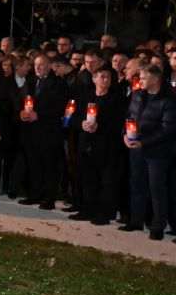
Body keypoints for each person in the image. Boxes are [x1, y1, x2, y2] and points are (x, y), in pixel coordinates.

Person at [122, 64, 176, 240]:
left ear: (155, 79)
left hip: (158, 152)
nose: (140, 81)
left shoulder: (169, 101)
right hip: (135, 148)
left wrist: (143, 142)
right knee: (137, 185)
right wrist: (125, 135)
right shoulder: (137, 95)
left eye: (144, 78)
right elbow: (128, 117)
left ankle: (158, 225)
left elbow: (167, 129)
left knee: (157, 189)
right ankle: (136, 221)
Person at [74, 66, 127, 225]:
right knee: (88, 178)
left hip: (106, 145)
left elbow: (118, 122)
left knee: (106, 181)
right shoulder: (86, 96)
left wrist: (100, 127)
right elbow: (75, 116)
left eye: (108, 78)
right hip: (86, 144)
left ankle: (104, 213)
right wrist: (82, 124)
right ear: (94, 78)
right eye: (102, 76)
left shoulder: (116, 99)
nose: (105, 80)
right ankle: (87, 209)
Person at [17, 54, 68, 210]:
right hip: (31, 131)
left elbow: (60, 107)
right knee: (34, 164)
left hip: (49, 131)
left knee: (49, 166)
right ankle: (35, 194)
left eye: (42, 65)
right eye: (36, 65)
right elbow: (23, 100)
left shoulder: (58, 83)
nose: (38, 68)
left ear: (49, 66)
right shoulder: (31, 81)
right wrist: (22, 112)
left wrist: (39, 115)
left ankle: (49, 198)